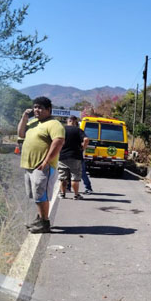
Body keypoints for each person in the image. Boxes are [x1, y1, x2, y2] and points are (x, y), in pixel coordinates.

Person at [17, 97, 65, 233]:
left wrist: (46, 161)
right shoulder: (33, 122)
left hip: (43, 166)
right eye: (35, 107)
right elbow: (20, 133)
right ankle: (40, 218)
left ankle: (45, 223)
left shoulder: (54, 124)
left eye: (40, 107)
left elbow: (58, 142)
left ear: (48, 109)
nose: (36, 110)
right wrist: (24, 117)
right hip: (30, 165)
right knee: (35, 195)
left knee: (41, 195)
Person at [58, 116, 90, 200]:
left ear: (68, 121)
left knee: (63, 177)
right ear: (75, 121)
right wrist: (83, 148)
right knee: (75, 177)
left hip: (62, 156)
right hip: (75, 156)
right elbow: (86, 139)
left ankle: (62, 194)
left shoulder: (61, 129)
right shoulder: (78, 130)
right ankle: (76, 195)